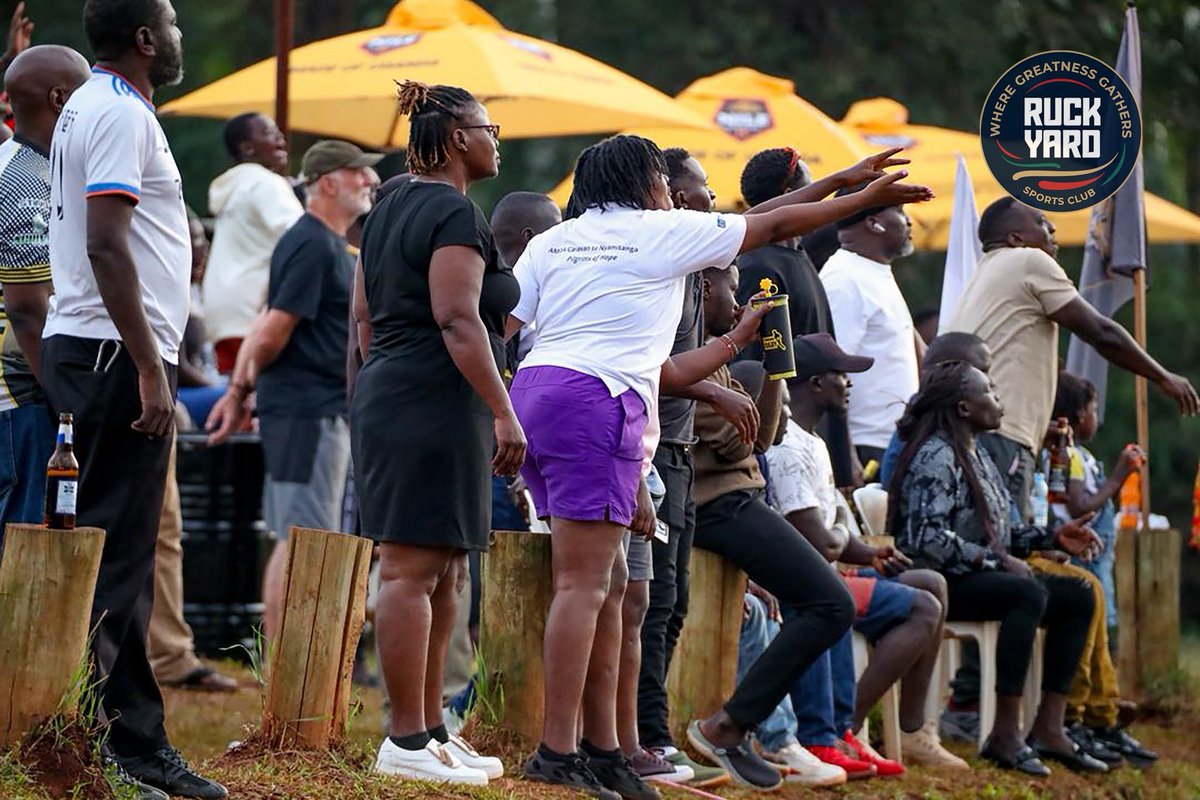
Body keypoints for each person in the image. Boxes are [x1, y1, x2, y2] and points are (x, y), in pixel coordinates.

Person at [507, 133, 931, 796]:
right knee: (584, 586)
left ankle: (604, 746)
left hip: (537, 393)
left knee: (613, 586)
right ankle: (557, 751)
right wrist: (859, 194)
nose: (671, 193)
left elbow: (515, 328)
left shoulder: (552, 240)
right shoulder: (658, 230)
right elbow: (776, 220)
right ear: (644, 183)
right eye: (662, 179)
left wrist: (846, 182)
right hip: (599, 400)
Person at [43, 1, 225, 797]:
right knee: (121, 559)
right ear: (147, 38)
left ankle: (80, 728)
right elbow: (105, 242)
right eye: (174, 24)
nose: (180, 37)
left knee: (96, 552)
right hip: (115, 354)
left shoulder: (85, 102)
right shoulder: (117, 110)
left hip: (91, 346)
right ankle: (134, 747)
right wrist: (153, 367)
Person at [352, 80, 516, 786]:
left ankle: (433, 728)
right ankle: (405, 738)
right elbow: (457, 319)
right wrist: (505, 410)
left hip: (406, 391)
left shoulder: (388, 207)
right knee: (411, 569)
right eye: (490, 127)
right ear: (457, 138)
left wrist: (382, 377)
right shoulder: (451, 211)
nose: (497, 138)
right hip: (430, 398)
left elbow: (363, 317)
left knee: (447, 566)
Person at [888, 361, 1108, 777]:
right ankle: (1005, 733)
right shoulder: (936, 455)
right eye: (988, 391)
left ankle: (1048, 727)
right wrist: (996, 561)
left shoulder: (978, 453)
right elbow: (926, 540)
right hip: (938, 584)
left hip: (973, 573)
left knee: (1077, 597)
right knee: (1026, 593)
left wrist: (1051, 538)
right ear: (964, 408)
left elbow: (999, 534)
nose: (998, 400)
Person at [206, 140, 379, 644]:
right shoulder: (310, 243)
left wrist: (241, 392)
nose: (369, 182)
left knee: (301, 537)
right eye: (358, 173)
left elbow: (264, 316)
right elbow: (271, 327)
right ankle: (289, 667)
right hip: (306, 411)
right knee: (306, 540)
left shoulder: (321, 243)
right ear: (327, 182)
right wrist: (238, 393)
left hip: (313, 410)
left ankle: (289, 665)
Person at [948, 197, 1199, 523]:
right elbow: (1100, 332)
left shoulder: (982, 275)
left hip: (973, 435)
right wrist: (1162, 376)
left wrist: (1040, 430)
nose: (1052, 228)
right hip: (1002, 438)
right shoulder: (1028, 261)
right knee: (1001, 549)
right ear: (1015, 238)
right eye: (1040, 221)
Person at [736, 146, 908, 489]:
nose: (823, 200)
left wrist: (845, 460)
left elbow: (831, 364)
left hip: (814, 442)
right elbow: (755, 368)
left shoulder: (801, 259)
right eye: (814, 189)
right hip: (779, 447)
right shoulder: (759, 266)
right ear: (791, 195)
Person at [1046, 373, 1157, 766]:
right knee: (1086, 644)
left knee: (1098, 643)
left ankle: (1101, 716)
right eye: (1093, 410)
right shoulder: (1068, 455)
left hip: (1093, 561)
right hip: (1078, 559)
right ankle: (1080, 717)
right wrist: (1120, 475)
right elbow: (1080, 506)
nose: (1098, 419)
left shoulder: (1078, 453)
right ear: (1075, 415)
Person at [0, 45, 89, 535]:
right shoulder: (27, 183)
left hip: (18, 401)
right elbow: (29, 311)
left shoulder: (19, 164)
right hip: (20, 402)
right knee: (21, 558)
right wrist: (68, 409)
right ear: (60, 99)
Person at [820, 182, 923, 467]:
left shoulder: (872, 271)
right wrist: (845, 456)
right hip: (865, 447)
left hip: (892, 442)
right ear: (874, 223)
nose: (910, 221)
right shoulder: (845, 279)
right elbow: (833, 374)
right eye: (901, 211)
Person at [201, 112, 302, 374]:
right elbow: (303, 239)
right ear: (247, 147)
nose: (280, 136)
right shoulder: (265, 183)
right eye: (268, 132)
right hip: (253, 313)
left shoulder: (237, 187)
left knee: (238, 401)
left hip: (222, 314)